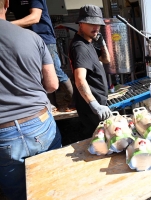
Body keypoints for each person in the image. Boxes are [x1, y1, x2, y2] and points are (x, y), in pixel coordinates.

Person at [0, 0, 62, 199]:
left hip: (3, 133)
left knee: (19, 194)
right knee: (55, 187)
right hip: (40, 124)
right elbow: (52, 84)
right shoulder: (33, 37)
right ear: (7, 4)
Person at [8, 0, 74, 111]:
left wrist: (7, 25)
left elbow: (35, 17)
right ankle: (51, 105)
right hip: (25, 39)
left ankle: (75, 101)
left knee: (55, 71)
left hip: (44, 38)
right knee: (38, 74)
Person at [69, 5, 111, 137]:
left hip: (97, 104)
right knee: (99, 142)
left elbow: (106, 60)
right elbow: (79, 79)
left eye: (98, 24)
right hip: (91, 108)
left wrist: (102, 43)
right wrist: (95, 105)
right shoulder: (80, 47)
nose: (96, 27)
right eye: (91, 23)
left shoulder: (88, 43)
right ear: (81, 23)